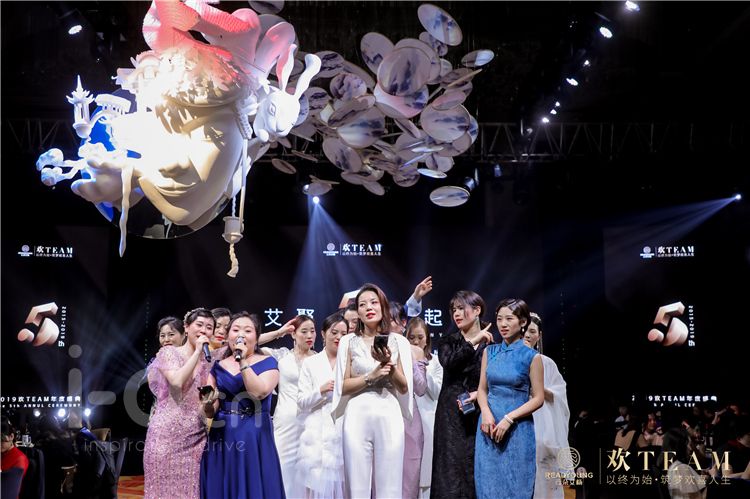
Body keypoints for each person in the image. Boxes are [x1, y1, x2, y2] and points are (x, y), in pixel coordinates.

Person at [333, 283, 414, 499]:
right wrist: (372, 376)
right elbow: (342, 386)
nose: (369, 307)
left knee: (390, 485)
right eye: (362, 304)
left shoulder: (399, 341)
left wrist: (389, 365)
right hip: (357, 413)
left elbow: (404, 387)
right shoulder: (348, 342)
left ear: (382, 307)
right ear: (357, 312)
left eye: (373, 302)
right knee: (357, 485)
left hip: (389, 412)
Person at [200, 311, 285, 498]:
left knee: (253, 482)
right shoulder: (217, 366)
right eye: (235, 330)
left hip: (253, 432)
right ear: (228, 335)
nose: (240, 335)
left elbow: (259, 392)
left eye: (247, 331)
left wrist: (243, 361)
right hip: (222, 433)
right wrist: (207, 404)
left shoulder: (269, 362)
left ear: (257, 337)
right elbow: (209, 412)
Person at [476, 298, 544, 499]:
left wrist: (509, 418)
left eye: (509, 319)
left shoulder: (532, 356)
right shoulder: (490, 351)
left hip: (517, 430)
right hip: (488, 428)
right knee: (487, 487)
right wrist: (486, 413)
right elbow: (482, 390)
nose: (503, 324)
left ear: (522, 322)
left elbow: (538, 398)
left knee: (517, 487)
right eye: (499, 319)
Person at [143, 307, 214, 498]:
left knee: (190, 491)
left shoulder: (209, 358)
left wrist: (279, 333)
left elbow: (241, 341)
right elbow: (177, 381)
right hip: (165, 436)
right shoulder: (168, 353)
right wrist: (197, 351)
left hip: (196, 437)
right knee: (162, 491)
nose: (204, 330)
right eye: (199, 325)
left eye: (209, 327)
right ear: (187, 328)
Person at [431, 290, 493, 499]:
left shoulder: (491, 345)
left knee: (474, 467)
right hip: (450, 414)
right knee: (448, 469)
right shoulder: (447, 342)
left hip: (479, 411)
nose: (456, 313)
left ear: (477, 310)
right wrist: (474, 340)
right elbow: (450, 362)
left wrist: (479, 394)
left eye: (461, 308)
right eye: (453, 309)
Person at [295, 313, 348, 498]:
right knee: (313, 488)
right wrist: (320, 390)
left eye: (344, 334)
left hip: (342, 432)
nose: (339, 337)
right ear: (324, 334)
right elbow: (301, 402)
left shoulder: (350, 362)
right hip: (315, 436)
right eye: (334, 332)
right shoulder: (311, 363)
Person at [523, 312, 570, 499]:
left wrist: (538, 389)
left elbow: (559, 396)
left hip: (542, 427)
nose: (527, 334)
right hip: (517, 424)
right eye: (524, 330)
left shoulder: (547, 363)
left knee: (545, 480)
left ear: (539, 335)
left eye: (532, 331)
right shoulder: (507, 360)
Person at [273, 314, 317, 498]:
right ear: (293, 334)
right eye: (304, 331)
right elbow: (251, 343)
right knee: (283, 470)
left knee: (309, 474)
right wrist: (279, 332)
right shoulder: (282, 356)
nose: (309, 336)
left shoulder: (320, 359)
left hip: (311, 423)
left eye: (312, 331)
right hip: (285, 423)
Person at [391, 302, 428, 499]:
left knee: (410, 476)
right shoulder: (375, 347)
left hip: (410, 419)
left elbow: (421, 389)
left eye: (391, 320)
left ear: (402, 323)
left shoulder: (416, 351)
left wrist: (409, 358)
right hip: (385, 413)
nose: (386, 324)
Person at [407, 317, 444, 499]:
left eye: (420, 337)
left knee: (426, 469)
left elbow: (436, 392)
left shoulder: (436, 362)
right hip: (408, 419)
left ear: (427, 339)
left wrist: (423, 367)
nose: (416, 342)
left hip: (429, 419)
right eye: (411, 338)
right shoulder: (402, 361)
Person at [661, 428, 707, 499]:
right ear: (680, 446)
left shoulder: (672, 465)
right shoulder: (681, 468)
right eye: (687, 444)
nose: (690, 448)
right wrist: (713, 479)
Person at [1, 419, 29, 498]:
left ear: (11, 436)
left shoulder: (20, 459)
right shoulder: (2, 453)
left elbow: (9, 490)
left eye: (1, 440)